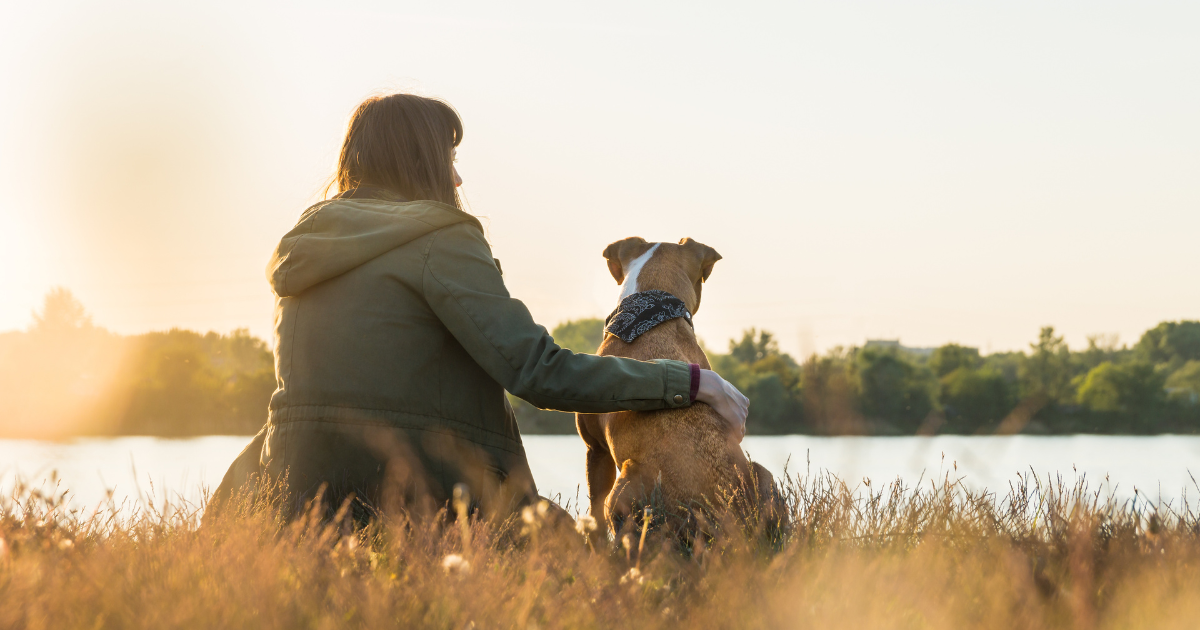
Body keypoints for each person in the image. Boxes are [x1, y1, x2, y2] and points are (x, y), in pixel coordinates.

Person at [212, 93, 749, 522]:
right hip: (424, 493)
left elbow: (308, 405)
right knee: (584, 571)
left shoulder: (303, 247)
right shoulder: (442, 239)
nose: (458, 179)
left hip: (293, 495)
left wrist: (229, 512)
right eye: (449, 160)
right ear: (418, 162)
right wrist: (689, 381)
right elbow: (539, 372)